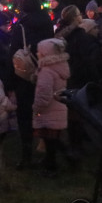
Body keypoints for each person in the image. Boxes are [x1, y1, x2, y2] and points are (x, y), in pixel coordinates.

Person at [9, 0, 55, 170]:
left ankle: (26, 155)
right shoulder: (47, 23)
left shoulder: (21, 25)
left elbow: (14, 53)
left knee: (25, 116)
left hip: (25, 76)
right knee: (48, 113)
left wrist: (10, 82)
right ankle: (50, 157)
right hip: (46, 71)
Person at [31, 38, 72, 177]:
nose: (37, 53)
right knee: (54, 140)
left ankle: (52, 167)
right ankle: (66, 158)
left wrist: (36, 107)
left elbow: (43, 93)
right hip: (58, 109)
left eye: (39, 51)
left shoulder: (47, 71)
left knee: (50, 142)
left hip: (48, 111)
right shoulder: (60, 67)